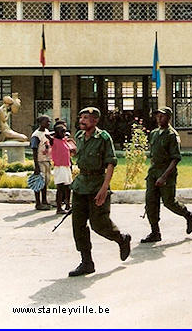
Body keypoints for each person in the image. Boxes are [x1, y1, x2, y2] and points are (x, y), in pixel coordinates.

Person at [69, 107, 131, 277]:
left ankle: (121, 238)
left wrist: (104, 188)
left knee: (99, 224)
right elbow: (80, 155)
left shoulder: (104, 137)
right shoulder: (79, 137)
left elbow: (110, 163)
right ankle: (87, 262)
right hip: (81, 185)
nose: (82, 120)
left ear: (95, 120)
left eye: (86, 118)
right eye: (81, 117)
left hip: (97, 185)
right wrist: (72, 151)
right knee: (78, 226)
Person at [141, 107, 192, 243]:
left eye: (162, 116)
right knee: (150, 202)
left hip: (166, 173)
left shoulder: (172, 135)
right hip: (153, 172)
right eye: (158, 116)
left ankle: (188, 215)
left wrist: (164, 176)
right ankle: (155, 232)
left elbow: (176, 158)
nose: (159, 118)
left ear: (169, 118)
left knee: (169, 202)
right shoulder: (154, 133)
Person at [49, 120, 75, 214]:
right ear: (56, 133)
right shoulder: (53, 141)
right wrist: (54, 134)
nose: (64, 133)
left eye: (64, 131)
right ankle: (59, 207)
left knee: (68, 186)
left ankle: (68, 204)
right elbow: (47, 135)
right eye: (62, 131)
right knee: (60, 187)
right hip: (60, 167)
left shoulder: (64, 140)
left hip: (67, 166)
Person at [30, 115, 52, 211]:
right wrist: (36, 166)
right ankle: (38, 203)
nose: (48, 123)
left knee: (45, 182)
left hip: (46, 160)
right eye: (47, 121)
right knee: (39, 182)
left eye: (49, 122)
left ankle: (44, 200)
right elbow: (34, 151)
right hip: (40, 161)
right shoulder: (36, 135)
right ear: (41, 122)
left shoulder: (46, 132)